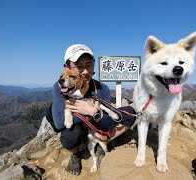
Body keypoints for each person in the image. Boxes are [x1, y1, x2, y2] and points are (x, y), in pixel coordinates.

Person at [51, 44, 136, 175]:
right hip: (80, 129)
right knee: (70, 135)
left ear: (94, 65)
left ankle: (104, 143)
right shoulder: (60, 87)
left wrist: (94, 112)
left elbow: (109, 122)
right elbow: (59, 123)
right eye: (79, 66)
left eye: (89, 65)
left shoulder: (102, 88)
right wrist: (84, 113)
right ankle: (76, 154)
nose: (85, 71)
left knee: (130, 113)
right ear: (66, 67)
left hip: (99, 127)